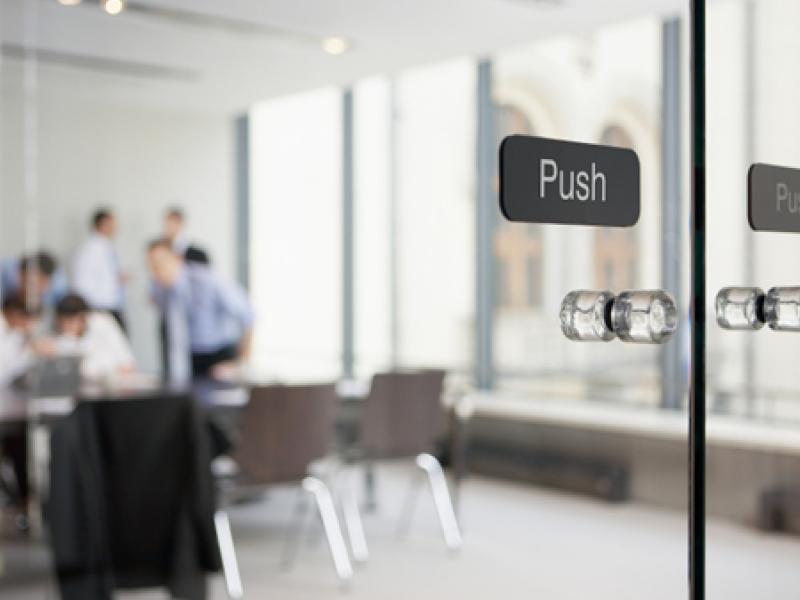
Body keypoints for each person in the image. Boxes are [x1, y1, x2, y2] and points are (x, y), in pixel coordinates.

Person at [147, 239, 253, 384]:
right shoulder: (162, 290)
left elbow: (248, 315)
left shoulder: (207, 280)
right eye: (152, 265)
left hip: (220, 355)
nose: (157, 270)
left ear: (177, 259)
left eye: (162, 263)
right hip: (190, 358)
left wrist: (240, 363)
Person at [54, 293, 135, 381]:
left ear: (82, 317)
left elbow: (127, 364)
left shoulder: (102, 323)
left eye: (69, 322)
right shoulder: (62, 339)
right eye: (62, 324)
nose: (66, 328)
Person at [72, 209, 128, 333]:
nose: (115, 228)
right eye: (112, 224)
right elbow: (81, 285)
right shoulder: (88, 250)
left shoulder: (109, 248)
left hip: (113, 308)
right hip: (98, 310)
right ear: (102, 224)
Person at [0, 251, 68, 309]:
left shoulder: (58, 287)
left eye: (42, 283)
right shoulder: (6, 275)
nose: (36, 287)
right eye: (32, 282)